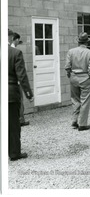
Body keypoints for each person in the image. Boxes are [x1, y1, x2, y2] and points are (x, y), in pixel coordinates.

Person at [8, 29, 34, 161]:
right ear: (11, 37)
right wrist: (29, 94)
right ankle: (14, 153)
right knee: (13, 124)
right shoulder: (15, 53)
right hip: (11, 93)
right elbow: (21, 76)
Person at [65, 32, 90, 131]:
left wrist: (70, 75)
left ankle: (74, 121)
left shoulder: (71, 51)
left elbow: (67, 66)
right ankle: (82, 124)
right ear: (87, 42)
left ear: (78, 42)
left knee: (75, 99)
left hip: (74, 77)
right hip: (85, 77)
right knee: (85, 101)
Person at [11, 33, 30, 127]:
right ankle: (21, 119)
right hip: (15, 82)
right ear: (16, 39)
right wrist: (29, 93)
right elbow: (21, 72)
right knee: (19, 101)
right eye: (18, 40)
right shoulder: (15, 51)